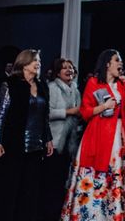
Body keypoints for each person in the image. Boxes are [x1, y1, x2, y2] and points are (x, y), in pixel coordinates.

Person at [61, 49, 125, 221]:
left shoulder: (123, 85)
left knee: (114, 177)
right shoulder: (94, 82)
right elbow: (85, 112)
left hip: (116, 138)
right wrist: (104, 107)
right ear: (107, 63)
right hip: (96, 135)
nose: (120, 63)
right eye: (117, 60)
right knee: (93, 178)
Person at [0, 49, 53, 221]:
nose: (39, 63)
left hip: (36, 148)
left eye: (39, 60)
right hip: (12, 147)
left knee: (30, 193)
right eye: (35, 60)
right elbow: (0, 116)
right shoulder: (10, 84)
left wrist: (48, 138)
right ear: (24, 63)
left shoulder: (42, 86)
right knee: (9, 192)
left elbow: (44, 117)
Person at [38, 58, 81, 221]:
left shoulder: (75, 90)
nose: (69, 70)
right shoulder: (52, 88)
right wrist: (69, 111)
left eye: (70, 68)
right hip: (54, 143)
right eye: (64, 68)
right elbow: (47, 113)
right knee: (51, 184)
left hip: (70, 144)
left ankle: (58, 214)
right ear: (57, 72)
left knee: (63, 183)